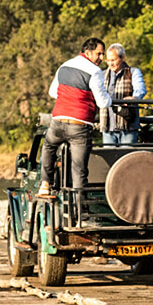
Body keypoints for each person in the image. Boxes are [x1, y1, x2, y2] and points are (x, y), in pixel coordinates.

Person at [38, 38, 112, 196]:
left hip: (58, 121)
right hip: (80, 124)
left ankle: (45, 184)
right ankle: (79, 213)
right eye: (98, 53)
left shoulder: (64, 66)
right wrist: (109, 98)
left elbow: (53, 92)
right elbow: (103, 102)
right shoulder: (94, 71)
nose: (101, 58)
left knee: (49, 146)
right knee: (78, 169)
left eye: (102, 54)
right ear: (88, 52)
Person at [99, 43, 147, 145]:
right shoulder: (102, 75)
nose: (110, 63)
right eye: (108, 60)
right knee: (110, 159)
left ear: (123, 58)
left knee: (127, 159)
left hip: (128, 126)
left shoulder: (133, 72)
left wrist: (134, 97)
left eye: (113, 60)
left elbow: (140, 89)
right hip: (108, 127)